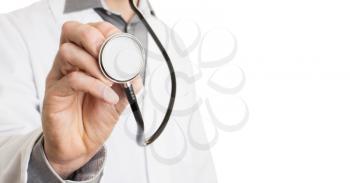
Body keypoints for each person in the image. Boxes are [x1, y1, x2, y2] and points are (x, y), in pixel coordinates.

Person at [0, 0, 217, 182]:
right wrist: (56, 163)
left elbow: (197, 168)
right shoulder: (11, 33)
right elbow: (7, 165)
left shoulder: (172, 42)